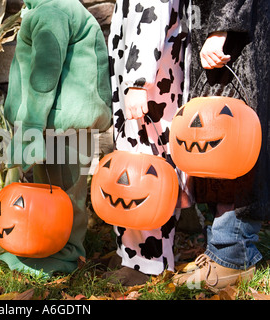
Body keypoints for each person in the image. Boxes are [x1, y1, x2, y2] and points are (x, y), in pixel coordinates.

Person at [0, 0, 112, 277]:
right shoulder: (62, 7)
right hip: (71, 120)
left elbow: (45, 74)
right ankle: (50, 249)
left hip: (55, 122)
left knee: (57, 194)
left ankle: (60, 257)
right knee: (64, 191)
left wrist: (31, 126)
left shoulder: (53, 11)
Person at [173, 0, 270, 289]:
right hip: (222, 36)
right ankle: (220, 250)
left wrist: (221, 28)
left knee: (231, 145)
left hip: (235, 41)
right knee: (215, 153)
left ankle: (233, 256)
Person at [105, 0, 192, 285]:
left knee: (144, 171)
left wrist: (138, 82)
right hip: (142, 83)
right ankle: (133, 254)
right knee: (137, 166)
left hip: (150, 85)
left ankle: (148, 261)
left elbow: (150, 20)